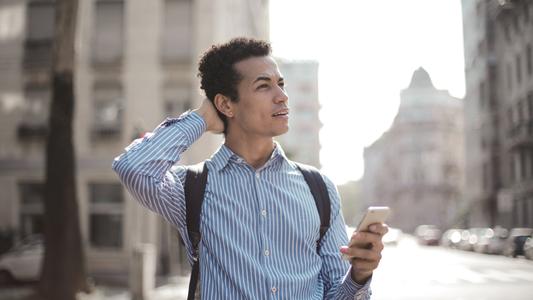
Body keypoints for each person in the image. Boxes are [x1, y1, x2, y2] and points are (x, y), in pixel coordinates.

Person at [112, 37, 387, 299]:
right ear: (225, 104)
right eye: (264, 86)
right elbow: (134, 166)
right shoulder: (191, 188)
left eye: (281, 83)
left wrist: (359, 275)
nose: (282, 96)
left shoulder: (319, 189)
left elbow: (337, 295)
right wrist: (202, 118)